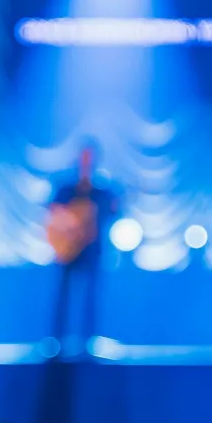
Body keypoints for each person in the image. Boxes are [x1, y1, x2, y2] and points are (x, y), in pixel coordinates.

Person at [47, 142, 120, 357]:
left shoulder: (102, 191)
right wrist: (70, 226)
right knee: (63, 296)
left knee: (91, 296)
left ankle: (88, 341)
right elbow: (53, 213)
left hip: (92, 250)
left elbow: (113, 213)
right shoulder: (66, 188)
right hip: (68, 251)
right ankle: (57, 341)